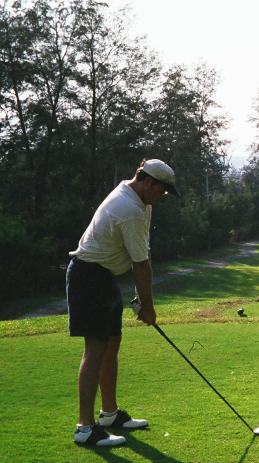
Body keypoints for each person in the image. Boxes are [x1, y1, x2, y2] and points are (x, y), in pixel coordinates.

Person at [67, 159, 179, 447]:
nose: (162, 196)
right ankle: (84, 427)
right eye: (162, 190)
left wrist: (141, 298)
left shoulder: (138, 200)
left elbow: (136, 254)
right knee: (96, 348)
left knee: (112, 341)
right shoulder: (130, 209)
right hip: (89, 276)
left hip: (103, 277)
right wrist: (148, 307)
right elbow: (141, 265)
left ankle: (109, 413)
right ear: (147, 181)